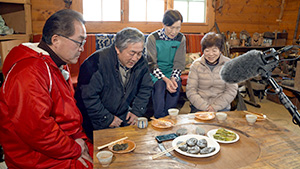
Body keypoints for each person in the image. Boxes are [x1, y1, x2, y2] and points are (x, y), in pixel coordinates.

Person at [0, 9, 93, 168]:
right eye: (79, 42)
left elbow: (69, 112)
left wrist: (79, 139)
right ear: (55, 40)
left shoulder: (58, 63)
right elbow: (38, 133)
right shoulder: (28, 73)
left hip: (63, 140)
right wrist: (76, 148)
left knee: (103, 157)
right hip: (35, 155)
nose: (82, 49)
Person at [75, 27, 153, 140]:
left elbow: (146, 87)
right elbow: (88, 98)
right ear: (117, 48)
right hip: (98, 119)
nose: (135, 58)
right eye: (132, 53)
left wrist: (137, 111)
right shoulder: (95, 63)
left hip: (124, 114)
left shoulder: (141, 62)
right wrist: (108, 118)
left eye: (139, 53)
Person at [146, 10, 186, 118]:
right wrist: (165, 79)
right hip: (155, 72)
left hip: (171, 71)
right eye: (171, 27)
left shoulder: (181, 38)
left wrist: (173, 78)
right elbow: (151, 64)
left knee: (176, 85)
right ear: (164, 24)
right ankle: (159, 116)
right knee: (159, 86)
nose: (174, 32)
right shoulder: (153, 38)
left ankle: (169, 117)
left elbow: (179, 62)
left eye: (178, 28)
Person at [186, 32, 238, 113]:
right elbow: (191, 90)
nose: (211, 54)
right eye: (207, 50)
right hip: (199, 107)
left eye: (214, 50)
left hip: (222, 107)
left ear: (220, 50)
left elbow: (231, 90)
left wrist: (215, 107)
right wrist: (205, 107)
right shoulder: (196, 65)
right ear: (203, 51)